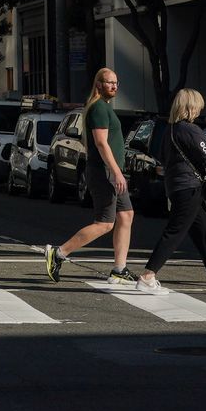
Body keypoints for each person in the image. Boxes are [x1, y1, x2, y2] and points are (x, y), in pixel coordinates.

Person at [133, 90, 206, 297]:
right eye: (198, 106)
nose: (200, 109)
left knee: (203, 233)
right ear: (190, 107)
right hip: (189, 188)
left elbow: (162, 162)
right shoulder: (190, 130)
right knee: (174, 232)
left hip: (177, 187)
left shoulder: (169, 131)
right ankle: (147, 276)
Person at [44, 68, 137, 286]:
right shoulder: (98, 109)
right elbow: (101, 143)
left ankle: (119, 269)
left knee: (127, 215)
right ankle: (58, 253)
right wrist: (115, 172)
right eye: (109, 82)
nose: (114, 86)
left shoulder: (103, 108)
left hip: (110, 172)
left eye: (116, 82)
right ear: (99, 85)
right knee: (105, 223)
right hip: (104, 172)